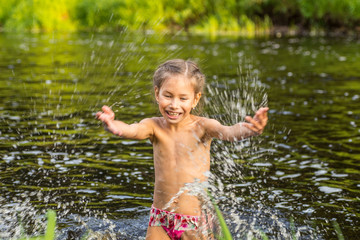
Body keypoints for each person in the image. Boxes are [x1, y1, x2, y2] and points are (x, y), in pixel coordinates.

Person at [96, 59, 268, 240]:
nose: (174, 105)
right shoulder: (153, 126)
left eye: (183, 98)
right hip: (160, 219)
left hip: (195, 221)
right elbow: (132, 129)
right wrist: (113, 125)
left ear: (195, 99)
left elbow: (229, 131)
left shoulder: (203, 127)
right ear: (157, 93)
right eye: (168, 96)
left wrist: (250, 129)